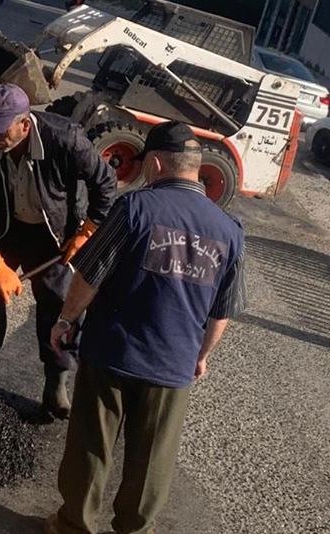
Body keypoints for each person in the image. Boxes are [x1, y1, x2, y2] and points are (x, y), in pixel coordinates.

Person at [45, 121, 246, 533]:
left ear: (155, 164)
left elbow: (90, 275)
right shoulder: (230, 231)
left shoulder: (134, 208)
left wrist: (66, 319)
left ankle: (73, 527)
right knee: (152, 460)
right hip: (173, 367)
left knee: (91, 447)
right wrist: (202, 356)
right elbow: (223, 310)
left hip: (111, 354)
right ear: (196, 167)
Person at [0, 83, 117, 419]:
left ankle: (56, 382)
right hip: (6, 226)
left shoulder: (66, 139)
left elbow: (105, 182)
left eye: (1, 131)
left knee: (59, 302)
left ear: (24, 124)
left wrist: (88, 229)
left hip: (53, 235)